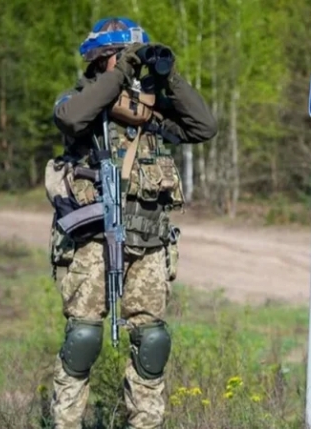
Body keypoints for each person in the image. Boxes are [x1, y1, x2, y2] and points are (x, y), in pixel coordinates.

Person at [44, 16, 217, 429]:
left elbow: (204, 126)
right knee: (84, 339)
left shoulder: (149, 112)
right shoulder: (80, 102)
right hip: (92, 241)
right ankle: (65, 422)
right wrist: (121, 69)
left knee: (152, 342)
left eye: (133, 59)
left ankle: (145, 424)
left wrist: (169, 75)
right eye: (121, 58)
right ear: (103, 59)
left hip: (150, 241)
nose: (132, 66)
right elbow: (71, 119)